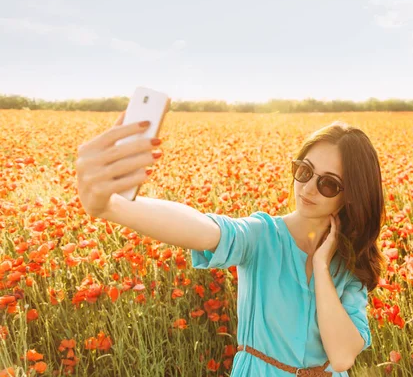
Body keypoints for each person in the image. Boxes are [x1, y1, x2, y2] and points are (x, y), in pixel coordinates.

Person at [76, 113, 386, 376]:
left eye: (328, 183)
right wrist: (112, 208)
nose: (307, 188)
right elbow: (205, 228)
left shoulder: (349, 263)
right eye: (304, 170)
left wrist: (320, 265)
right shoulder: (262, 235)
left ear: (351, 195)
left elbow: (343, 356)